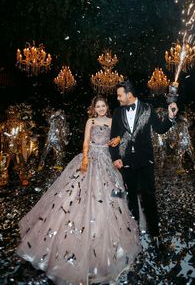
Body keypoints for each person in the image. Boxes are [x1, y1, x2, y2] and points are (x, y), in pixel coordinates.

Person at [16, 95, 141, 285]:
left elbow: (117, 141)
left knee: (109, 201)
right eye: (97, 106)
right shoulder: (90, 121)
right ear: (94, 108)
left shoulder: (112, 121)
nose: (100, 108)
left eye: (103, 105)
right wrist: (84, 161)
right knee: (72, 198)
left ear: (107, 107)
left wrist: (116, 146)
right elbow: (85, 142)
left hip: (106, 161)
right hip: (89, 159)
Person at [109, 80, 178, 244]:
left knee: (149, 198)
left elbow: (160, 129)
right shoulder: (117, 112)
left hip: (145, 161)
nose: (118, 98)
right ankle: (134, 233)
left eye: (120, 95)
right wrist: (115, 157)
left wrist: (170, 116)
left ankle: (155, 234)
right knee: (130, 198)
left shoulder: (148, 109)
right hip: (126, 162)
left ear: (129, 94)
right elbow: (113, 138)